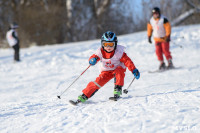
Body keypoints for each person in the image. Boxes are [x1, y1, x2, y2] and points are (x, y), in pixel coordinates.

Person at [74, 31, 140, 104]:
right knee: (98, 82)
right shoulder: (100, 52)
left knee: (119, 71)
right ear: (102, 44)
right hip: (106, 71)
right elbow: (94, 57)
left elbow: (127, 61)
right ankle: (85, 95)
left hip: (118, 69)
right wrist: (92, 60)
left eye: (111, 44)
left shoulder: (119, 52)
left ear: (115, 44)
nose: (108, 47)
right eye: (106, 44)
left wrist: (134, 70)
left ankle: (117, 90)